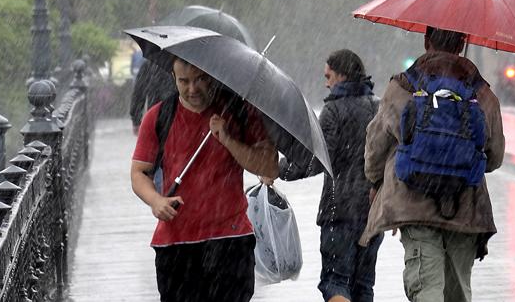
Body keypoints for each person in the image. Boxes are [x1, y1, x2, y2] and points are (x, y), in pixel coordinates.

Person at [360, 27, 505, 302]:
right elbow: (495, 156)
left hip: (414, 205)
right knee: (458, 292)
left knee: (426, 289)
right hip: (465, 210)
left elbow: (375, 146)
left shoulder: (403, 86)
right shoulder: (482, 94)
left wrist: (375, 181)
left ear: (426, 41)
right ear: (463, 44)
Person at [130, 57, 279, 302]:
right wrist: (156, 201)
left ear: (212, 75)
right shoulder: (158, 117)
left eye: (200, 79)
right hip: (176, 244)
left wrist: (228, 139)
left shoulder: (238, 111)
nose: (192, 89)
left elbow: (269, 168)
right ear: (173, 78)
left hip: (230, 240)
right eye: (184, 81)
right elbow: (138, 173)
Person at [262, 49, 383, 302]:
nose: (326, 82)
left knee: (335, 282)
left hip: (339, 213)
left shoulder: (334, 110)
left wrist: (277, 170)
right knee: (363, 286)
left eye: (328, 76)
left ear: (342, 75)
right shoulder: (379, 107)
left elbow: (315, 162)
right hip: (374, 214)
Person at [129, 59, 177, 135]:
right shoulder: (179, 63)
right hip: (177, 116)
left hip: (156, 117)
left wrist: (136, 119)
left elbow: (138, 93)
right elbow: (139, 93)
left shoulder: (149, 64)